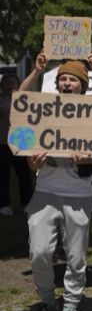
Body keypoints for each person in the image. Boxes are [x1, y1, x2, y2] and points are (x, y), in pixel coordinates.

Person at [20, 57, 92, 311]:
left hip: (78, 193)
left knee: (76, 257)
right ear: (58, 84)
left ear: (82, 85)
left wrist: (89, 157)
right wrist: (32, 163)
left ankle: (70, 307)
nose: (67, 83)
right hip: (45, 191)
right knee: (39, 251)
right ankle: (46, 303)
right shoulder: (44, 110)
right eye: (63, 79)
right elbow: (21, 101)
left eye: (73, 79)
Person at [0, 73, 32, 214]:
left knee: (24, 174)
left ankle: (27, 203)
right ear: (2, 85)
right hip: (2, 142)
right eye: (7, 83)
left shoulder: (25, 100)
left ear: (17, 85)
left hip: (21, 142)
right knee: (3, 175)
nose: (9, 86)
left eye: (12, 83)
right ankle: (4, 205)